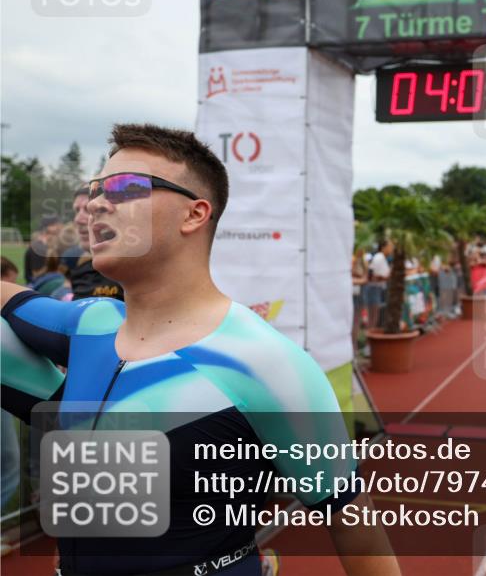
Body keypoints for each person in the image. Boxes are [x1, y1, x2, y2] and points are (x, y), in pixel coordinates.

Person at [1, 124, 399, 576]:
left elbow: (358, 532)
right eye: (93, 190)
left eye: (123, 188)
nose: (94, 204)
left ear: (194, 215)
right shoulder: (90, 321)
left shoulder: (266, 363)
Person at [67, 185, 124, 300]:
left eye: (88, 210)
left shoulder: (133, 273)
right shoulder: (81, 271)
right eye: (77, 210)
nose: (78, 219)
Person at [22, 215, 61, 284]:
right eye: (55, 224)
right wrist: (52, 264)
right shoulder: (38, 247)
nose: (59, 227)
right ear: (48, 227)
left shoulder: (48, 245)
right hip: (36, 286)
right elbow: (36, 274)